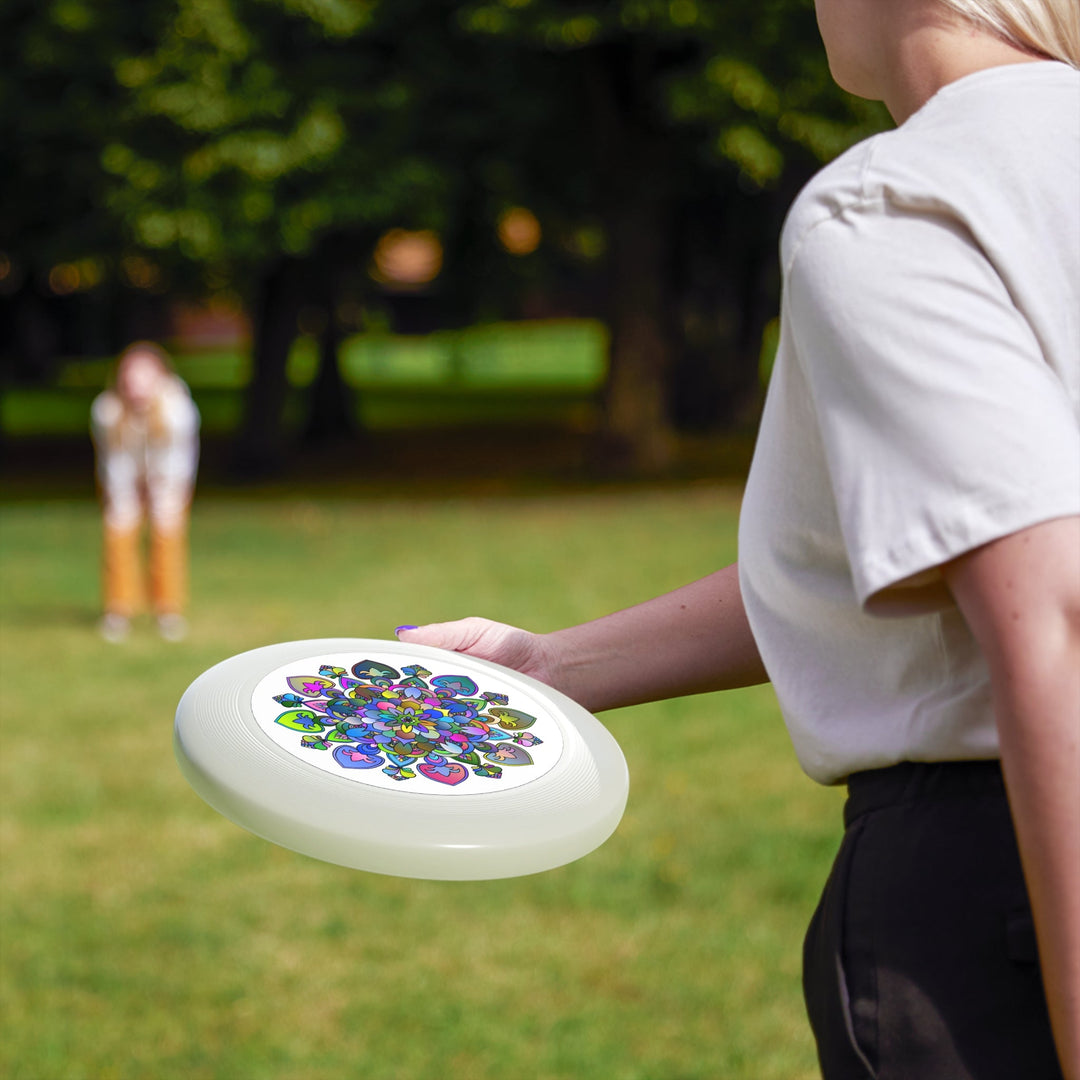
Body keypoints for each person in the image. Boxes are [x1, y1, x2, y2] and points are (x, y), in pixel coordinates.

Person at [395, 1, 1080, 1076]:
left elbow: (1054, 614)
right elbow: (913, 555)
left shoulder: (900, 202)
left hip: (1004, 888)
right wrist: (551, 665)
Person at [91, 341, 200, 642]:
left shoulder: (178, 410)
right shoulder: (107, 410)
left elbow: (177, 460)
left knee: (167, 535)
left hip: (168, 479)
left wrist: (160, 492)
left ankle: (168, 610)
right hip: (123, 478)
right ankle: (118, 610)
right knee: (118, 531)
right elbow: (114, 460)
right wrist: (126, 495)